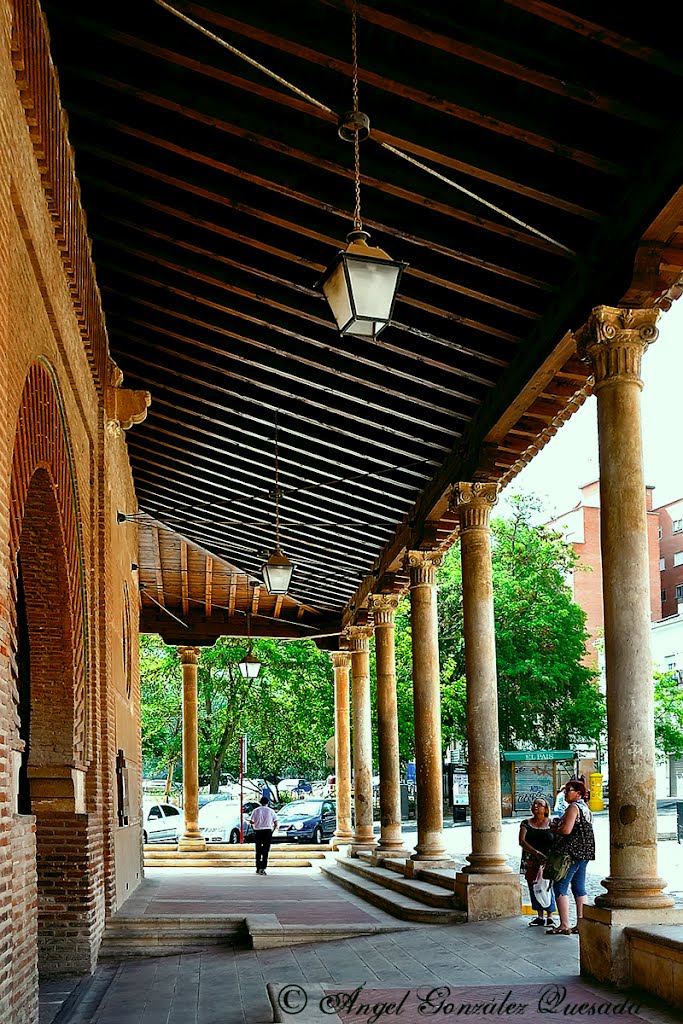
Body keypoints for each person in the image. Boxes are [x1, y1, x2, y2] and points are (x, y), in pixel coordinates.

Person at [546, 779, 595, 935]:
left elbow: (566, 830)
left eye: (569, 790)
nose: (565, 793)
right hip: (584, 852)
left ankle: (564, 924)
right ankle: (582, 923)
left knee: (560, 885)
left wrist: (555, 829)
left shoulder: (573, 807)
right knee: (579, 886)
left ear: (578, 793)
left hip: (571, 852)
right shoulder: (585, 808)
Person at [518, 798, 557, 928]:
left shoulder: (553, 823)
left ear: (546, 809)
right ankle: (539, 916)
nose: (536, 806)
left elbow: (557, 840)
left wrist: (548, 856)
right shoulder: (526, 824)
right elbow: (522, 841)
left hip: (548, 860)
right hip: (531, 860)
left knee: (548, 886)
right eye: (534, 803)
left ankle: (550, 916)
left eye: (539, 804)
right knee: (533, 887)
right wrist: (536, 853)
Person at [249, 796, 278, 876]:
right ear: (267, 802)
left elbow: (251, 821)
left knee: (258, 850)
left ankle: (258, 867)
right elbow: (275, 823)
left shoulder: (255, 811)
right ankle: (263, 868)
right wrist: (272, 830)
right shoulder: (271, 811)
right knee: (266, 850)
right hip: (267, 831)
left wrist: (255, 823)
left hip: (258, 831)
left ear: (260, 802)